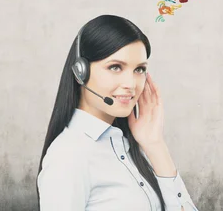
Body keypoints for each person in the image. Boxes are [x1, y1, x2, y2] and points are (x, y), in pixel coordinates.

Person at [36, 15, 199, 210]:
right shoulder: (68, 156)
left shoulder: (131, 145)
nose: (130, 84)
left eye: (139, 69)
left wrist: (155, 145)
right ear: (81, 72)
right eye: (115, 67)